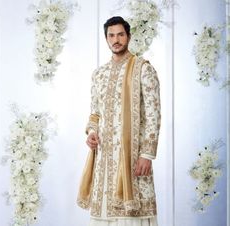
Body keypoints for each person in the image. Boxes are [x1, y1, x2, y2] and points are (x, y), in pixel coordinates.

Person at [77, 16, 161, 226]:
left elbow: (153, 113)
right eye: (111, 35)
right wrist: (92, 132)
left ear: (128, 36)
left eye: (120, 34)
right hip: (104, 159)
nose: (116, 39)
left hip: (132, 158)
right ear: (106, 39)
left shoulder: (143, 69)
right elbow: (94, 113)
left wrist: (146, 154)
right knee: (103, 214)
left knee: (131, 216)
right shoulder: (99, 74)